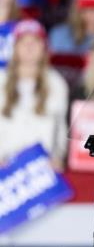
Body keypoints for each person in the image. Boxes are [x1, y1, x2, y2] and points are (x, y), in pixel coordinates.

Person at [0, 19, 68, 168]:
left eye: (35, 41)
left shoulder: (56, 83)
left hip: (41, 168)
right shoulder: (1, 80)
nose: (29, 47)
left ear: (44, 48)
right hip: (4, 166)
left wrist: (58, 158)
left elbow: (61, 130)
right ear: (15, 47)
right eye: (23, 42)